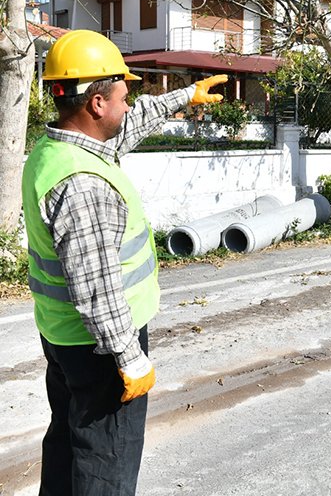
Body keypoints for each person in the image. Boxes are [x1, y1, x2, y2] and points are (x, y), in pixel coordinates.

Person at [21, 29, 227, 495]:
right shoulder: (83, 184)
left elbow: (129, 126)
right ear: (96, 103)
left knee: (69, 443)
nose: (130, 106)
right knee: (106, 459)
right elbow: (97, 289)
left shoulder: (56, 149)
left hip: (63, 336)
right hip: (101, 347)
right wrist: (129, 359)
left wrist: (183, 97)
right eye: (124, 96)